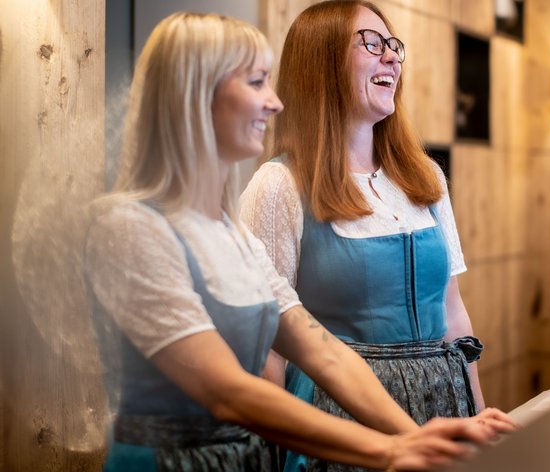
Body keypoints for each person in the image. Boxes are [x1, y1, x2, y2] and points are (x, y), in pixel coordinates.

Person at [84, 11, 514, 471]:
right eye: (255, 83)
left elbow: (322, 351)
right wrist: (389, 449)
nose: (274, 102)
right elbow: (228, 391)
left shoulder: (226, 231)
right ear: (195, 95)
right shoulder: (127, 227)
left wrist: (417, 436)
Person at [240, 2, 511, 469]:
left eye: (393, 45)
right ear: (320, 62)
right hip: (339, 424)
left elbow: (453, 311)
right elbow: (265, 344)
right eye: (370, 42)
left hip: (444, 407)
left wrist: (478, 411)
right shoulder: (278, 185)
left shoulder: (425, 177)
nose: (391, 57)